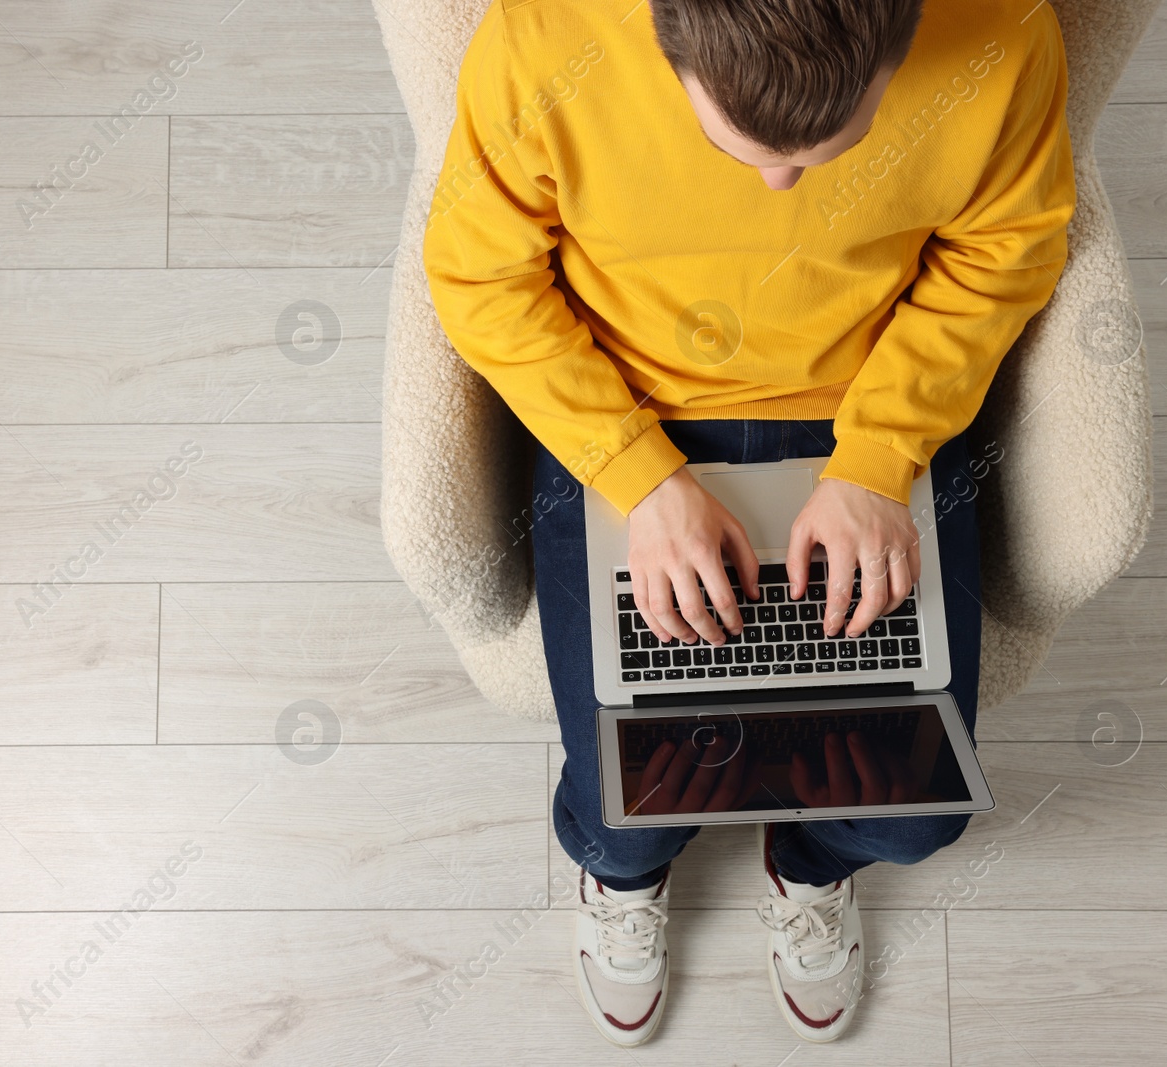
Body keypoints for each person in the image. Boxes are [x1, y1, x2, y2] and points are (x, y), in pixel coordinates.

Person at [422, 0, 1074, 1047]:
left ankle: (808, 860)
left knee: (911, 806)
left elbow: (1006, 252)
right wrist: (639, 476)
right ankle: (621, 875)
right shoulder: (548, 37)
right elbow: (479, 275)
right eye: (741, 148)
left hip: (869, 405)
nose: (779, 186)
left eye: (830, 150)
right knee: (635, 790)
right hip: (627, 405)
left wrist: (877, 458)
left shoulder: (1000, 34)